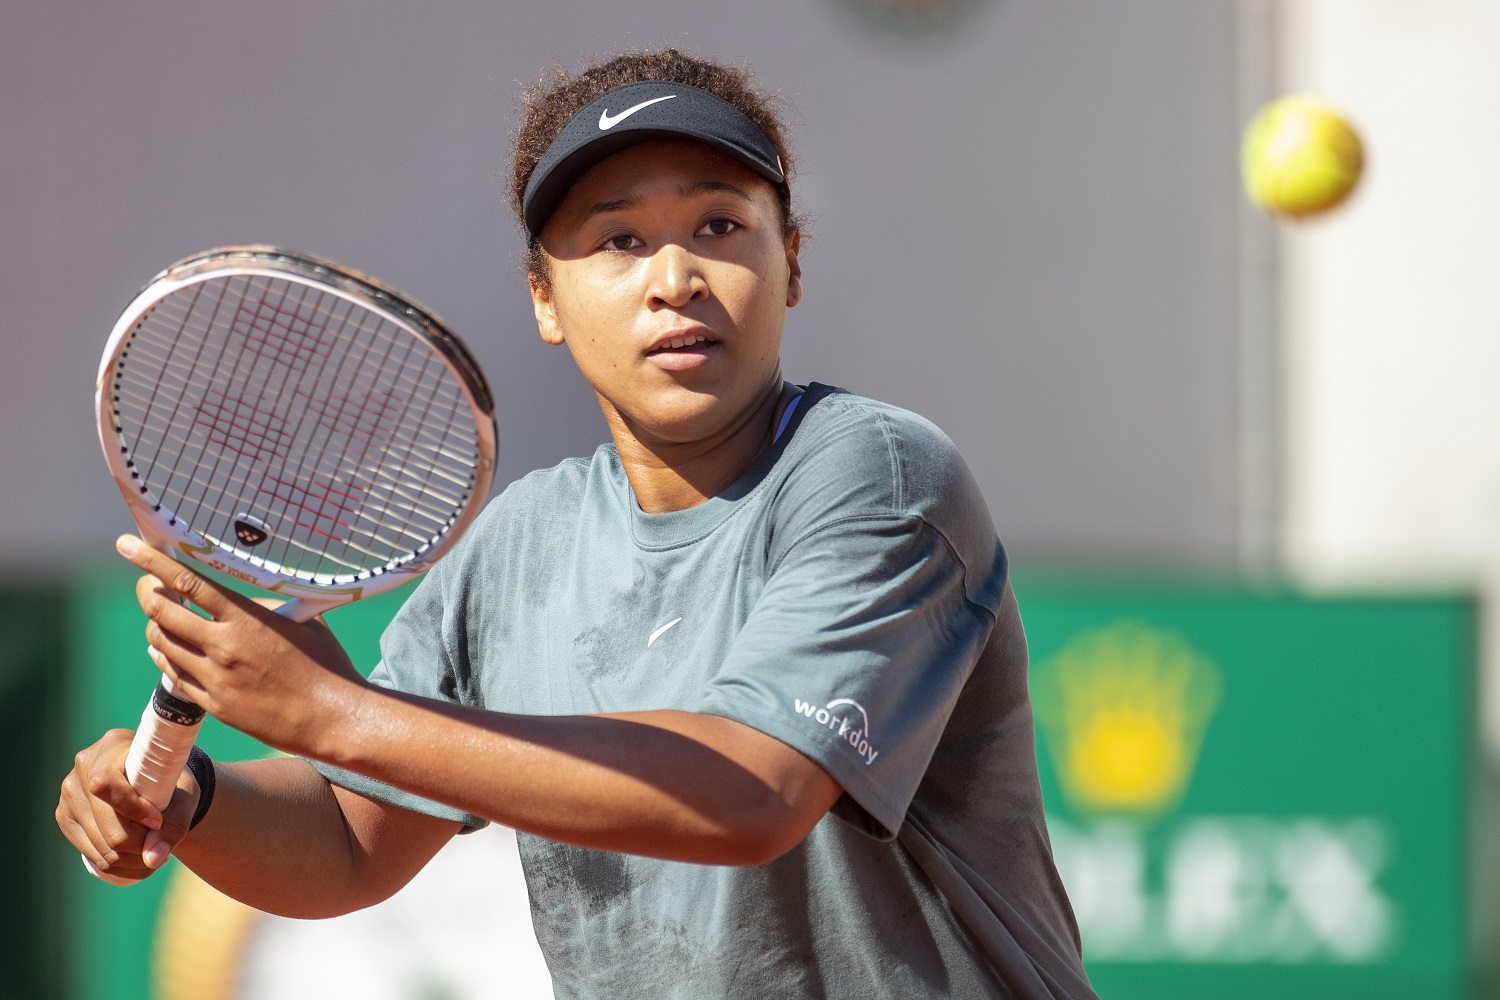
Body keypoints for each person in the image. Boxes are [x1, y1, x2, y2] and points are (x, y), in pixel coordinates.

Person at [57, 49, 1096, 999]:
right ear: (545, 300)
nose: (675, 277)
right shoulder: (521, 547)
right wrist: (185, 797)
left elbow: (751, 793)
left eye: (721, 226)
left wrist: (332, 712)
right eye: (619, 239)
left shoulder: (874, 470)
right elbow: (346, 839)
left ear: (792, 264)